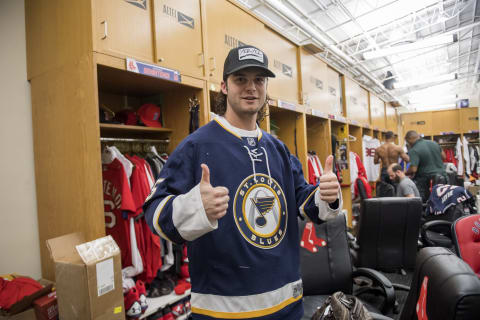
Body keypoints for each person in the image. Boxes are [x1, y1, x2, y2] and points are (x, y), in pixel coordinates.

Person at [143, 45, 342, 320]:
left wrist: (325, 194)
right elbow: (153, 213)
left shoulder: (279, 149)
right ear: (224, 86)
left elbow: (304, 203)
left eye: (258, 80)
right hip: (222, 313)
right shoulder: (196, 146)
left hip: (287, 308)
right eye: (241, 79)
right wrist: (194, 207)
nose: (251, 87)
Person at [404, 130, 447, 202]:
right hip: (442, 176)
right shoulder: (434, 143)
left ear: (410, 139)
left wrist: (405, 173)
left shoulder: (414, 150)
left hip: (426, 181)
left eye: (407, 141)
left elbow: (413, 169)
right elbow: (444, 157)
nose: (408, 143)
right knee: (441, 201)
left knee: (425, 202)